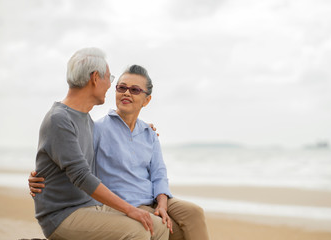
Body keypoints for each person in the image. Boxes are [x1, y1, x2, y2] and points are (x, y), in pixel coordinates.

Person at [30, 64, 210, 240]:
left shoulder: (149, 133)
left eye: (135, 90)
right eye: (121, 88)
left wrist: (162, 204)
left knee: (194, 213)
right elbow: (75, 163)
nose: (126, 93)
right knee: (172, 230)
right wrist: (40, 177)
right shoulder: (97, 129)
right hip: (124, 203)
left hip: (153, 198)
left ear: (147, 100)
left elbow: (159, 174)